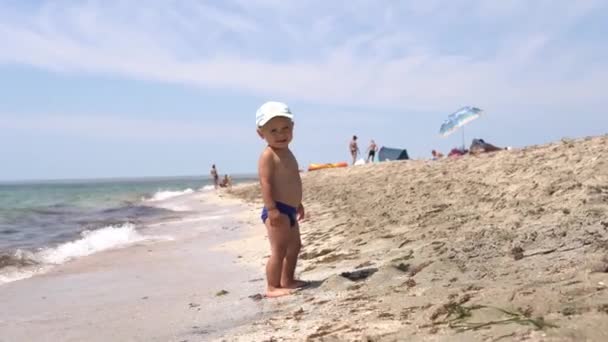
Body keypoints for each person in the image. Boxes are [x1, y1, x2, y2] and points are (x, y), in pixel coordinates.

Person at [256, 101, 307, 298]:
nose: (281, 134)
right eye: (273, 130)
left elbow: (292, 180)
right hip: (276, 209)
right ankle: (272, 287)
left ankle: (287, 280)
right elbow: (266, 183)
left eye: (285, 128)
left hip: (290, 208)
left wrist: (298, 203)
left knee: (294, 246)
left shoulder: (288, 153)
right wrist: (271, 209)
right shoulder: (268, 156)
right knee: (279, 249)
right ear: (261, 134)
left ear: (293, 128)